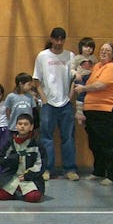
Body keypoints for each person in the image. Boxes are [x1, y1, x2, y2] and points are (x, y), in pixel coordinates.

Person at [74, 42, 113, 186]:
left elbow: (100, 85)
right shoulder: (96, 67)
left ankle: (112, 176)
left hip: (107, 111)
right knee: (95, 144)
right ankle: (99, 171)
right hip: (92, 111)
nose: (103, 52)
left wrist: (83, 88)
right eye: (102, 50)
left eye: (107, 50)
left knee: (108, 144)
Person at [33, 27, 79, 181]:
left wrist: (70, 96)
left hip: (65, 103)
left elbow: (74, 79)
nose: (59, 42)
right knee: (46, 137)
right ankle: (47, 169)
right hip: (48, 104)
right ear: (51, 39)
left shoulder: (70, 56)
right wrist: (44, 99)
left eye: (62, 39)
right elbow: (36, 80)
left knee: (68, 137)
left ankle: (70, 169)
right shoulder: (42, 56)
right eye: (56, 39)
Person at [0, 114, 46, 202]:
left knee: (34, 197)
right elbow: (1, 159)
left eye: (26, 124)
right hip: (12, 176)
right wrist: (12, 160)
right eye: (20, 124)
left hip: (29, 178)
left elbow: (41, 164)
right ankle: (15, 191)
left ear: (31, 127)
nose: (22, 126)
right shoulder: (10, 143)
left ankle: (23, 190)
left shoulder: (37, 144)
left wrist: (28, 175)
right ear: (16, 126)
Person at [72, 37, 97, 125]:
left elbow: (96, 68)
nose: (88, 49)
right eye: (86, 47)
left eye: (90, 47)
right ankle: (79, 112)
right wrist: (76, 74)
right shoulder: (77, 58)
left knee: (91, 94)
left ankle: (87, 112)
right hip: (80, 77)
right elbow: (71, 69)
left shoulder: (93, 58)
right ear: (81, 47)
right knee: (81, 93)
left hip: (90, 77)